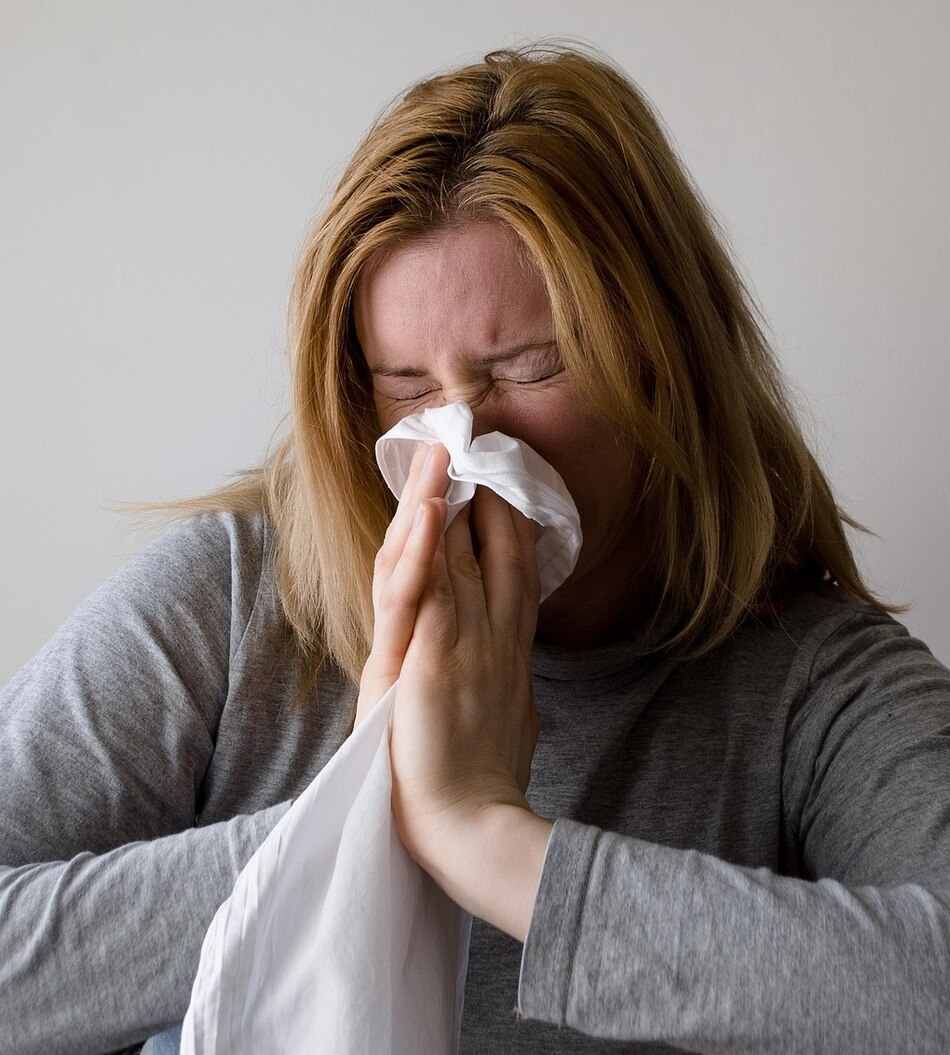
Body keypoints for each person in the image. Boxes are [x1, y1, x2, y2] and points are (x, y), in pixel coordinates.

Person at [1, 43, 948, 1055]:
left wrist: (484, 838)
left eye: (529, 366)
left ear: (664, 361)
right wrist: (358, 823)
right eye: (407, 389)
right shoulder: (232, 602)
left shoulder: (809, 680)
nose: (463, 443)